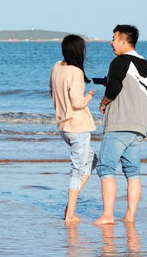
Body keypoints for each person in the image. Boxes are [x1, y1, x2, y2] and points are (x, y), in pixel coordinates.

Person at [93, 25, 147, 225]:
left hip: (119, 124)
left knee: (106, 168)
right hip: (139, 126)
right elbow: (120, 82)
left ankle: (107, 216)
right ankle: (129, 216)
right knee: (133, 172)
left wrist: (103, 102)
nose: (111, 42)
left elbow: (115, 87)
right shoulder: (143, 64)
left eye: (114, 38)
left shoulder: (120, 61)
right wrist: (95, 80)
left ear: (124, 40)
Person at [50, 34, 96, 222]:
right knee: (77, 169)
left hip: (64, 126)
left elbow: (52, 92)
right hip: (78, 126)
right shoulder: (75, 71)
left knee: (92, 160)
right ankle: (70, 213)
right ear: (79, 51)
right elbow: (77, 103)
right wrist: (89, 96)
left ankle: (70, 205)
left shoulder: (56, 68)